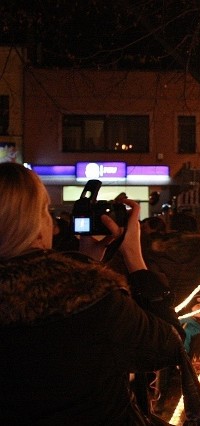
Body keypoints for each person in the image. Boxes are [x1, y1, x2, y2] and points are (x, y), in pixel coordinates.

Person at [0, 163, 186, 425]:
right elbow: (170, 346)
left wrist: (86, 261)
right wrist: (134, 257)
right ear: (33, 224)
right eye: (46, 211)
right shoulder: (94, 301)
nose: (53, 225)